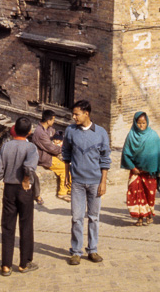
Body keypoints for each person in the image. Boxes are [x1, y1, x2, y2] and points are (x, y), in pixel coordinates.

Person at [62, 100, 111, 265]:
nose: (74, 117)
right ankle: (76, 251)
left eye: (76, 114)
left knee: (94, 217)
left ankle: (93, 250)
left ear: (86, 114)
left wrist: (103, 182)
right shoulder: (70, 131)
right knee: (76, 218)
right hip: (77, 183)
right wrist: (67, 173)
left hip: (95, 183)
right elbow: (66, 152)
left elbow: (105, 159)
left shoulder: (101, 133)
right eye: (73, 114)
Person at [0, 116, 39, 276]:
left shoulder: (6, 146)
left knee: (7, 226)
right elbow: (29, 167)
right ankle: (24, 263)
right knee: (26, 225)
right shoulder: (31, 148)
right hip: (23, 189)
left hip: (9, 189)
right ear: (28, 132)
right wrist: (26, 180)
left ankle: (6, 265)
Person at [120, 111, 160, 226]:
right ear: (135, 123)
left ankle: (149, 215)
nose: (141, 125)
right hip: (136, 171)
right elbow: (126, 154)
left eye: (144, 123)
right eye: (139, 123)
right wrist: (132, 167)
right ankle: (140, 218)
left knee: (149, 194)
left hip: (150, 172)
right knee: (135, 194)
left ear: (147, 122)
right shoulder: (131, 135)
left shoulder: (153, 135)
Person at [32, 109, 71, 201]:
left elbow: (56, 138)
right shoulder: (40, 133)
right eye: (53, 120)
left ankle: (69, 188)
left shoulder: (49, 129)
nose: (54, 122)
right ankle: (62, 193)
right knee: (64, 169)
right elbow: (51, 148)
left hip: (52, 154)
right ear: (48, 121)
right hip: (45, 157)